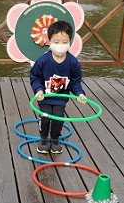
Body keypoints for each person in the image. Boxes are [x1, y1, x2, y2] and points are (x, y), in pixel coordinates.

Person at [30, 20, 87, 154]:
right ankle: (43, 139)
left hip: (61, 98)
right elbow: (35, 77)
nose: (60, 45)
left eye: (64, 42)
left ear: (69, 42)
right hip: (45, 97)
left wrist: (80, 93)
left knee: (58, 117)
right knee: (45, 117)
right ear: (49, 41)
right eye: (56, 42)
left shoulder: (73, 62)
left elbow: (75, 82)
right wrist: (39, 90)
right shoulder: (43, 61)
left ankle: (55, 140)